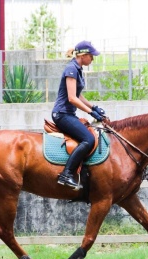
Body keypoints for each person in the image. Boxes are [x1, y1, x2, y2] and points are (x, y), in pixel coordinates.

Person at [52, 40, 106, 189]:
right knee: (88, 139)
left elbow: (78, 95)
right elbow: (72, 98)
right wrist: (91, 112)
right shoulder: (71, 69)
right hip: (62, 114)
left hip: (68, 114)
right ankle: (66, 174)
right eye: (91, 56)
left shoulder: (77, 68)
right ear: (83, 55)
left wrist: (94, 106)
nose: (92, 59)